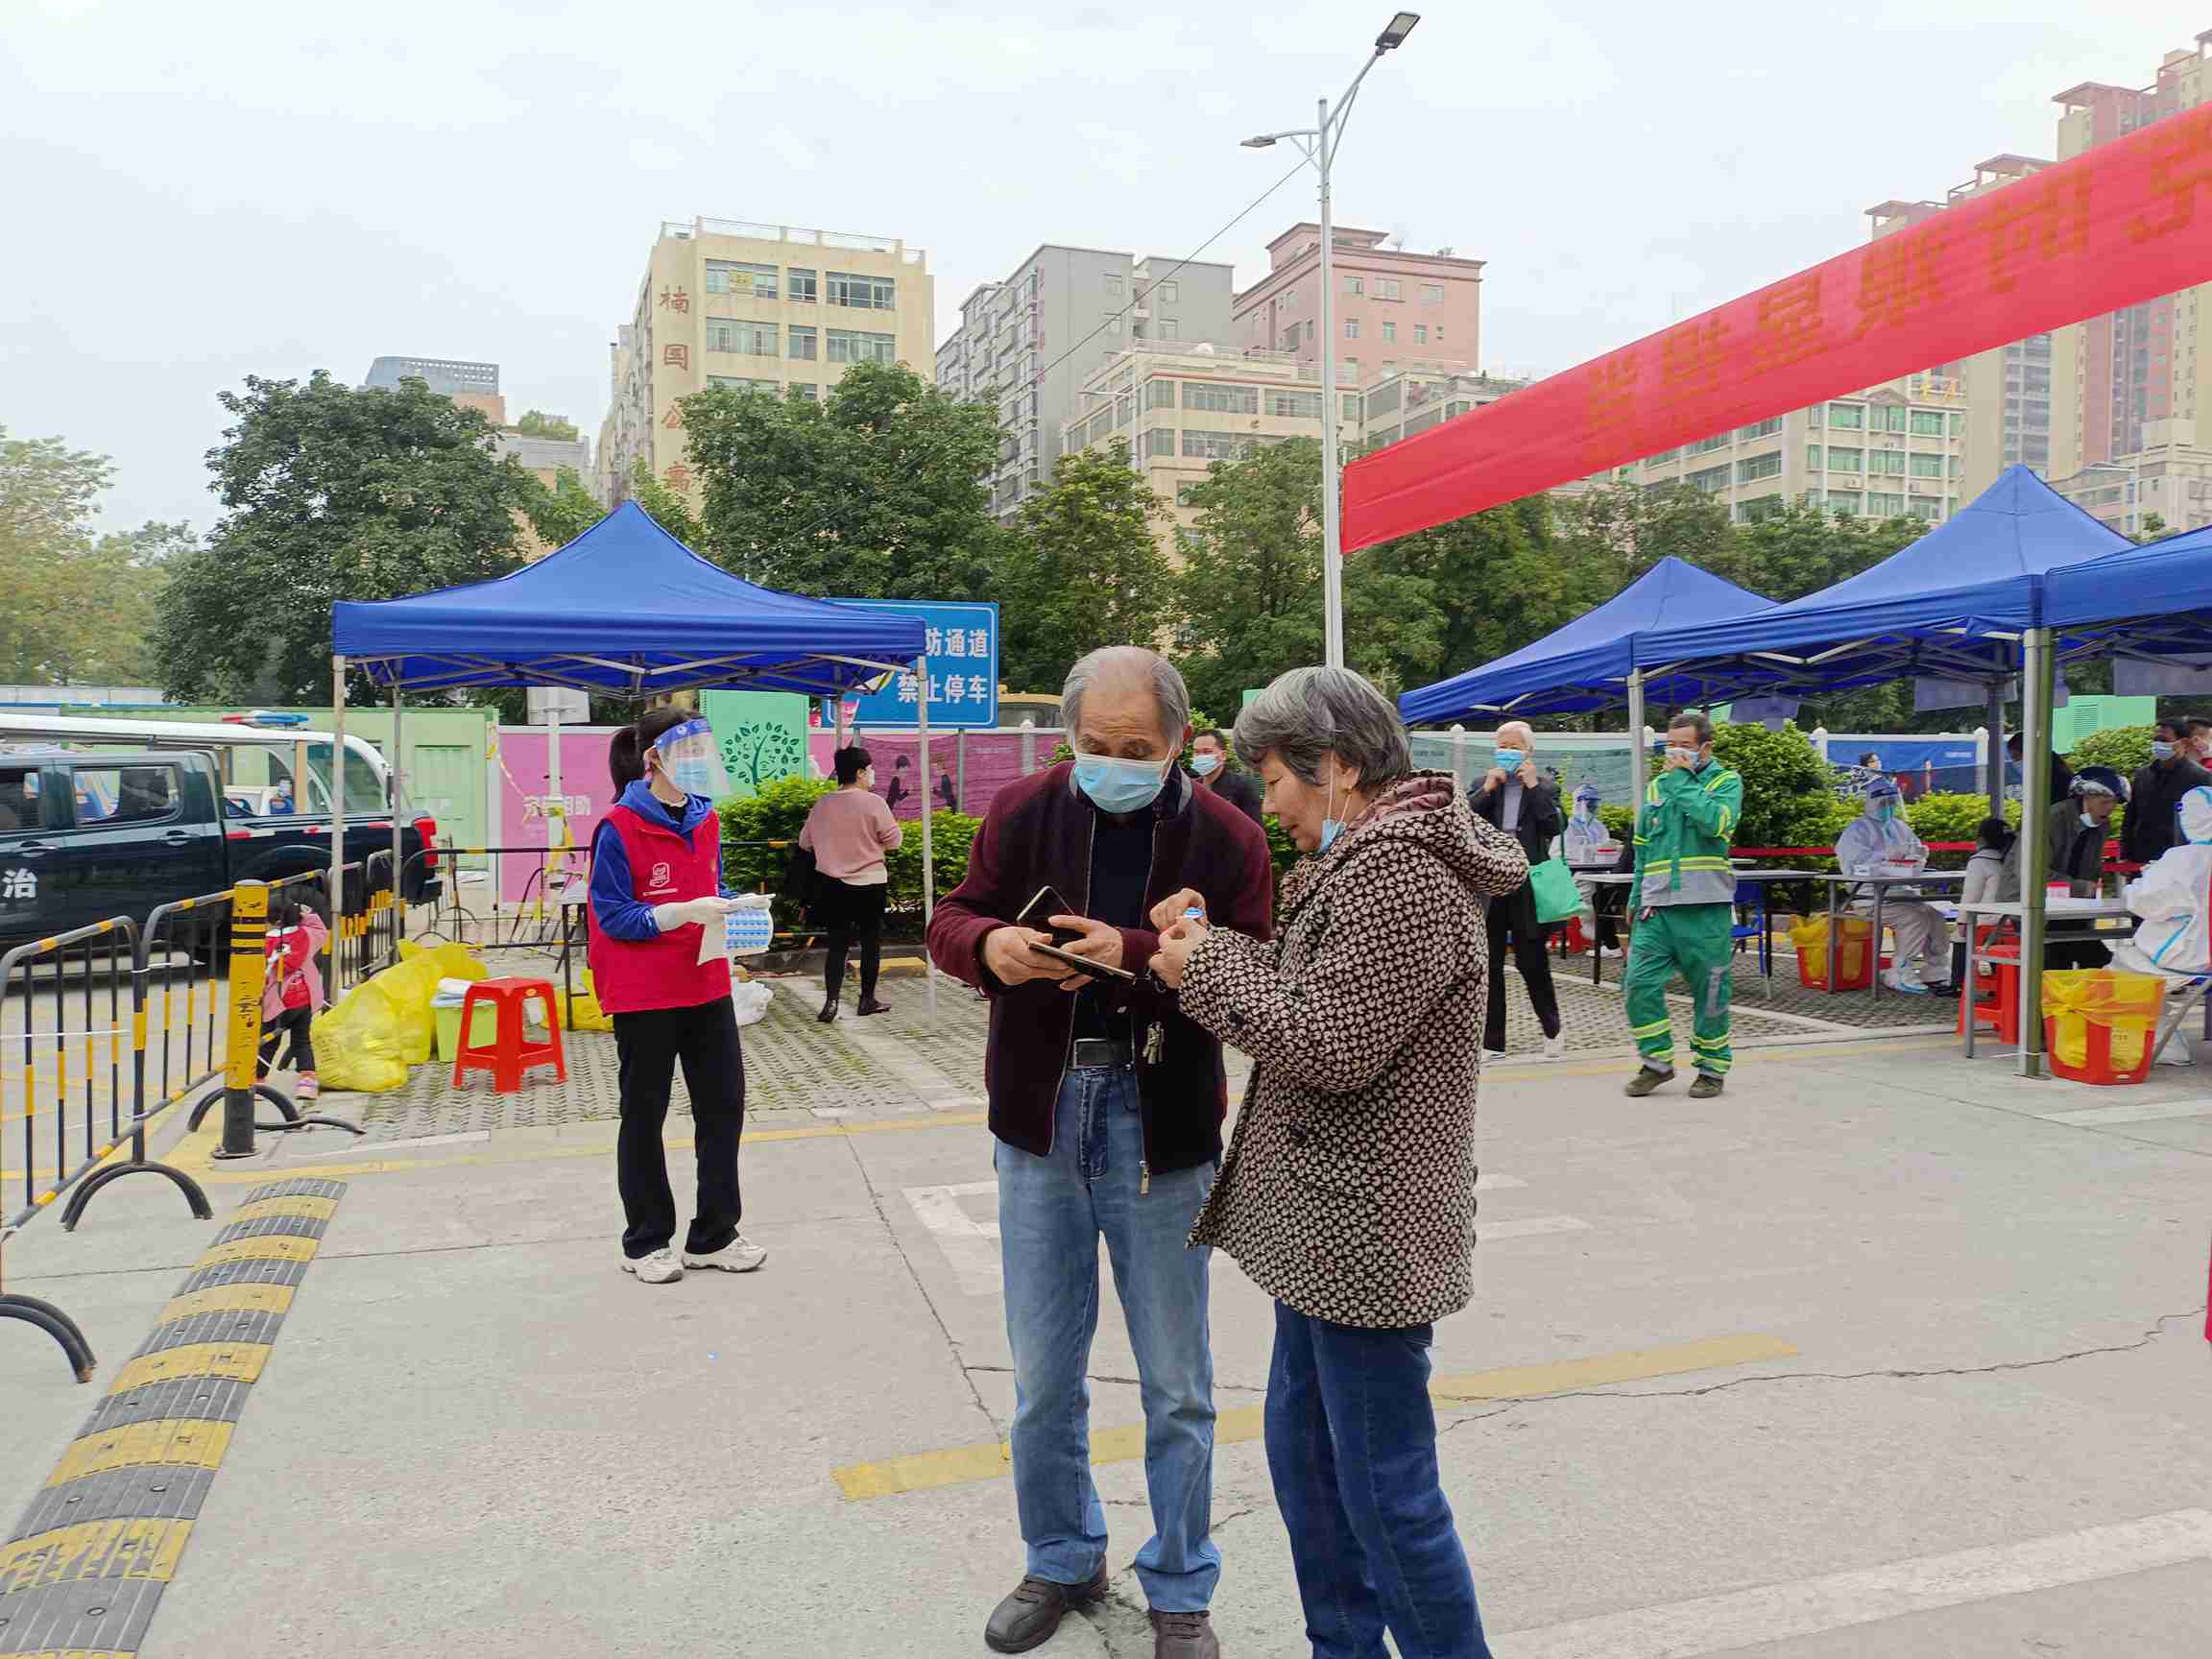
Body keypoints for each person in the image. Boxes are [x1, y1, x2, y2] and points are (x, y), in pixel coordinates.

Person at [1146, 665, 1526, 1659]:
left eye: (1275, 780)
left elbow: (1331, 1046)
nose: (1266, 805)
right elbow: (1310, 988)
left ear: (1342, 769)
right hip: (1323, 1229)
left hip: (1363, 1236)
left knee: (1386, 1495)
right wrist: (1211, 944)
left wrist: (1204, 970)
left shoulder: (1401, 875)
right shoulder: (1366, 864)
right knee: (1312, 1469)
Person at [927, 646, 1274, 1659]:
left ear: (1178, 739)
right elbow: (956, 915)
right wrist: (988, 950)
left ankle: (1180, 1582)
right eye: (1093, 746)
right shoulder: (1025, 810)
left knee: (1177, 1382)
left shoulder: (1227, 836)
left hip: (1159, 1122)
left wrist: (1129, 952)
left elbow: (1252, 970)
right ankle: (1064, 1554)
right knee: (1043, 1375)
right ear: (1067, 738)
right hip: (1040, 1115)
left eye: (1137, 748)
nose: (1114, 762)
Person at [586, 709, 761, 1287]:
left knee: (722, 1108)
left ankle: (714, 1234)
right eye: (687, 755)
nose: (698, 766)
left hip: (705, 982)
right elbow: (611, 914)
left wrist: (739, 906)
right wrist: (675, 913)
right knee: (645, 1115)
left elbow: (713, 885)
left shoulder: (706, 821)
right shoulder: (619, 827)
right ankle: (646, 1241)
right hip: (644, 993)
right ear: (654, 757)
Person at [1623, 711, 1744, 1099]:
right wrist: (1634, 896)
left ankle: (1711, 1067)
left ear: (1705, 747)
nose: (1674, 753)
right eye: (1669, 745)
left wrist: (1682, 781)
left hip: (1705, 907)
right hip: (1656, 907)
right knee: (1638, 984)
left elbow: (1716, 823)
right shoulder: (1656, 787)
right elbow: (1642, 848)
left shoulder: (1726, 781)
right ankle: (1656, 1062)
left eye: (1685, 746)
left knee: (1710, 991)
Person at [1468, 720, 1565, 1059]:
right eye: (1502, 746)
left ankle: (1552, 1029)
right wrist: (1488, 790)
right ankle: (1493, 1042)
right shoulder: (1483, 783)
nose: (1507, 752)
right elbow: (1464, 824)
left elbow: (1553, 825)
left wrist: (1534, 786)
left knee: (1532, 961)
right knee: (1489, 964)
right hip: (1491, 887)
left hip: (1527, 886)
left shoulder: (1545, 787)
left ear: (1528, 752)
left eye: (1514, 747)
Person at [800, 745, 903, 1023]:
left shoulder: (823, 803)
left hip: (833, 885)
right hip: (870, 884)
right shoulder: (874, 803)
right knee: (871, 944)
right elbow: (894, 841)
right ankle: (866, 1000)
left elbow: (805, 842)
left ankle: (831, 1002)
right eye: (869, 770)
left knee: (837, 945)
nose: (873, 774)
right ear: (859, 772)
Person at [1835, 776, 1951, 996]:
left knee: (1935, 916)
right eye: (1883, 803)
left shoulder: (1899, 827)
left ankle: (1935, 969)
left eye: (1891, 803)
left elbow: (1913, 853)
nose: (1888, 808)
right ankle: (1900, 970)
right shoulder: (1857, 830)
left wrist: (1918, 855)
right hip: (1870, 897)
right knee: (1914, 919)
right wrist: (1885, 857)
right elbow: (1854, 865)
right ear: (1871, 803)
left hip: (1902, 894)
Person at [257, 900, 328, 1101]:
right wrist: (306, 914)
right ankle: (307, 1083)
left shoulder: (265, 942)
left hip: (278, 999)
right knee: (301, 1041)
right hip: (304, 998)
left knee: (268, 1042)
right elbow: (320, 929)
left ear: (271, 921)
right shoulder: (306, 934)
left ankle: (257, 1080)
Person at [2124, 720, 2212, 867]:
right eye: (2155, 740)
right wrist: (2125, 852)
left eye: (2164, 740)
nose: (2158, 744)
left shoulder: (2201, 777)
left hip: (2181, 858)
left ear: (2183, 742)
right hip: (2142, 856)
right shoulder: (2143, 775)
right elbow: (2131, 816)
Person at [1951, 816, 2020, 990]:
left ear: (1981, 839)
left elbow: (1971, 896)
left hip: (1989, 919)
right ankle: (2000, 981)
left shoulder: (1979, 861)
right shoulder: (2013, 859)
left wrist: (1962, 921)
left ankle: (1960, 984)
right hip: (2013, 918)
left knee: (1960, 935)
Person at [1563, 781, 1623, 957]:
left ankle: (1608, 942)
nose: (1592, 807)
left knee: (1604, 894)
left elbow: (1605, 845)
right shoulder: (1569, 826)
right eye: (1589, 803)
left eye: (1594, 803)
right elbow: (1560, 853)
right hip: (1578, 873)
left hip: (1601, 871)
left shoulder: (1598, 826)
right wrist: (1588, 851)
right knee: (1590, 893)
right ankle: (1598, 937)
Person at [1189, 728, 1263, 824]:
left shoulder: (1243, 786)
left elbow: (1255, 830)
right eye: (1197, 752)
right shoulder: (1191, 787)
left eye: (1207, 751)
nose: (1200, 757)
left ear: (1223, 755)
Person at [2005, 732, 2074, 805]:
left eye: (2016, 757)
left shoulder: (2050, 776)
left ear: (2030, 752)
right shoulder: (2052, 766)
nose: (2015, 762)